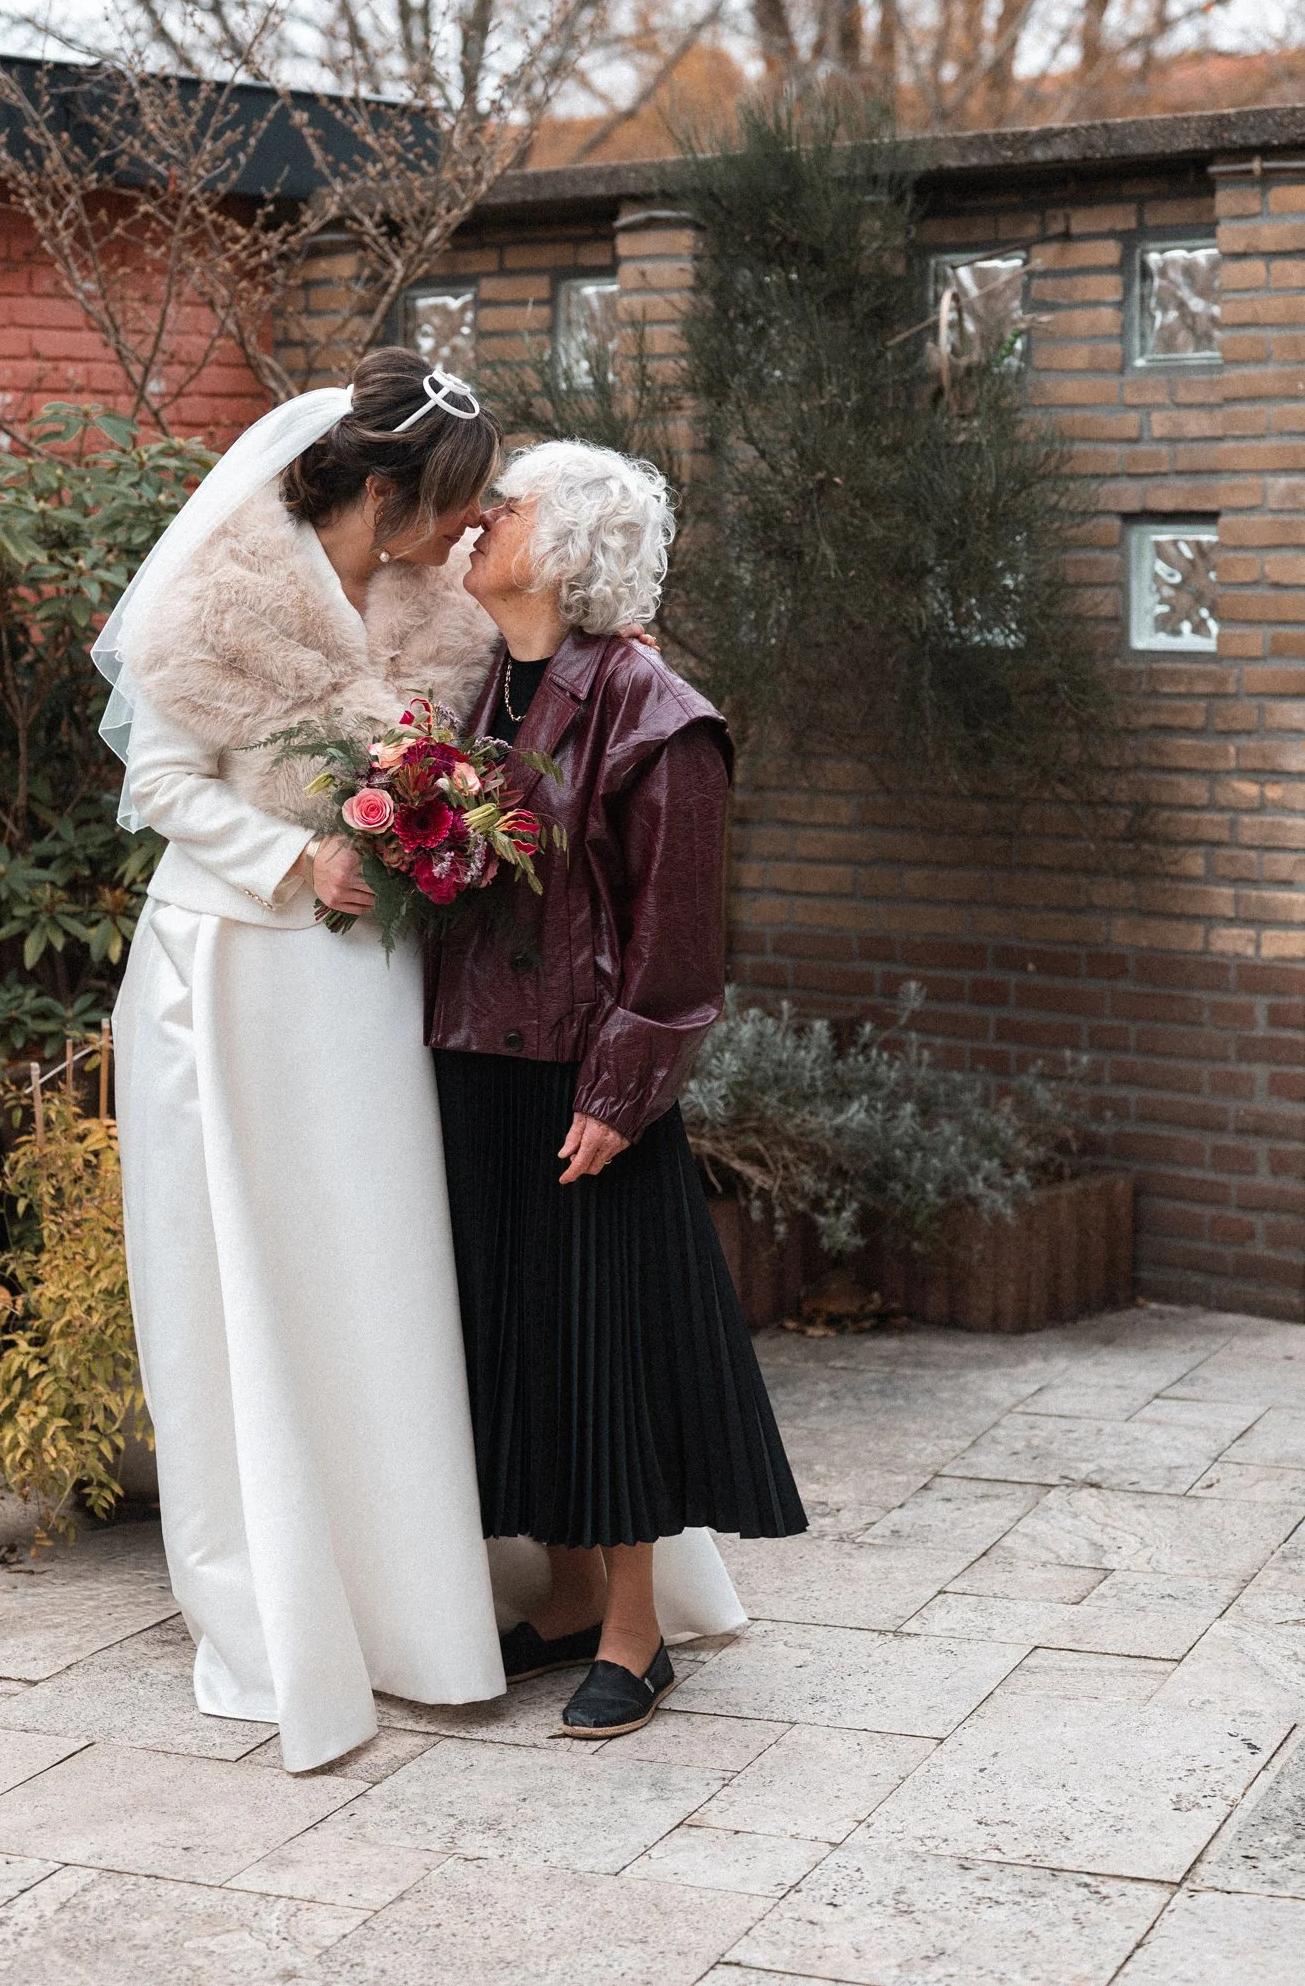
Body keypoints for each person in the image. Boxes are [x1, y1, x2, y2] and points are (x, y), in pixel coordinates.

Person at [98, 349, 509, 1772]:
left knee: (384, 1269)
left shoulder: (432, 615)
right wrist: (292, 862)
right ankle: (279, 1600)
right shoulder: (217, 602)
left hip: (370, 985)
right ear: (385, 490)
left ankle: (419, 1597)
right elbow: (155, 786)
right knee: (247, 1285)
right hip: (232, 976)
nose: (468, 530)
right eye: (452, 504)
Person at [428, 439, 807, 1741]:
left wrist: (621, 1091)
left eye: (510, 502)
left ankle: (635, 1636)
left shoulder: (659, 713)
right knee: (515, 1338)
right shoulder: (485, 684)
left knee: (609, 1352)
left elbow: (679, 944)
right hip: (471, 1056)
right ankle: (562, 1596)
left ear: (573, 542)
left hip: (584, 1084)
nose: (481, 517)